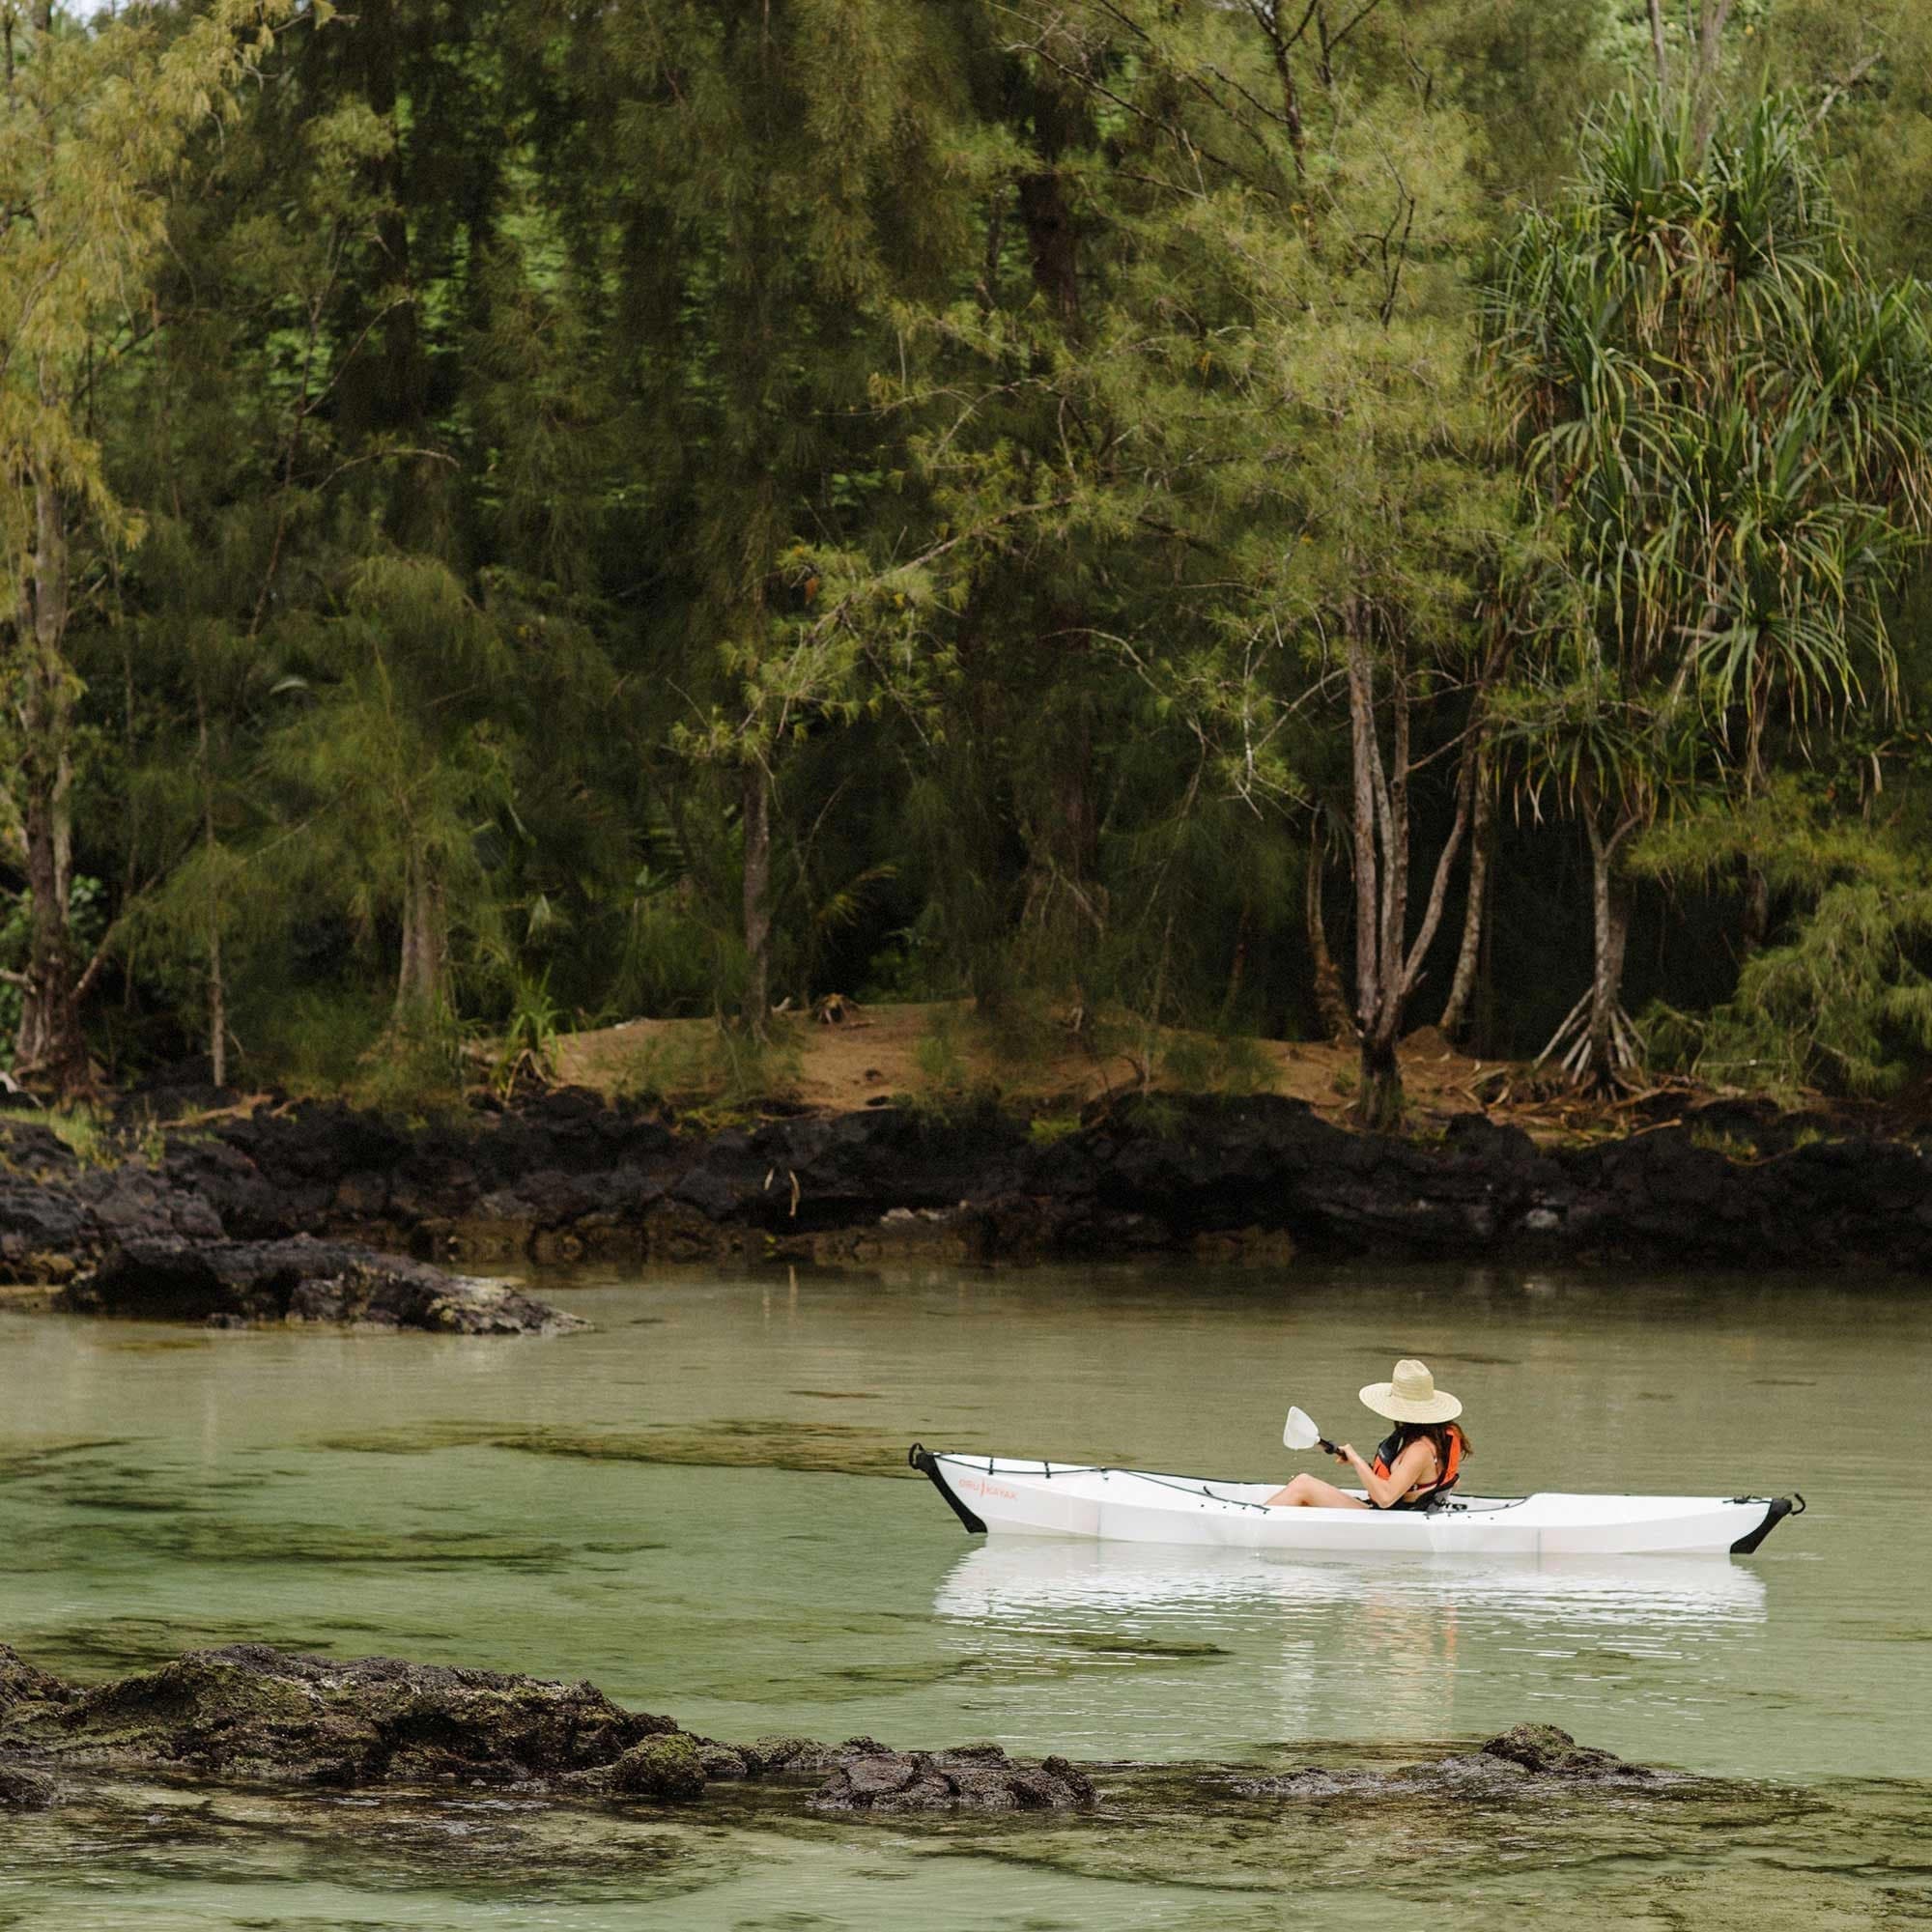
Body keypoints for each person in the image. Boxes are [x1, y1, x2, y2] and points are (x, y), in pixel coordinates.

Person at [1265, 1358, 1470, 1510]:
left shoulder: (1420, 1449)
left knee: (1303, 1484)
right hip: (1397, 1515)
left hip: (1395, 1522)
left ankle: (1254, 1522)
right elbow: (1441, 1483)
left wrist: (1356, 1460)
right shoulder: (1436, 1437)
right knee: (1303, 1488)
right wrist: (1364, 1466)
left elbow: (1385, 1498)